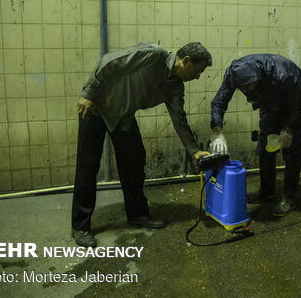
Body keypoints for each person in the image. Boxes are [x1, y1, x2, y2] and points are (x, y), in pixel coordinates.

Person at [71, 42, 212, 247]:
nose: (197, 77)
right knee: (88, 167)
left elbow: (179, 119)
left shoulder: (175, 87)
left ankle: (137, 214)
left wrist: (194, 151)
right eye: (197, 71)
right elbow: (108, 61)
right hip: (96, 109)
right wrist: (89, 93)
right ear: (186, 61)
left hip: (123, 118)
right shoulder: (152, 55)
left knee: (134, 163)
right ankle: (80, 226)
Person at [210, 54, 301, 216]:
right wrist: (217, 132)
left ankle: (289, 198)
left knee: (292, 151)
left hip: (297, 100)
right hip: (269, 103)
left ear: (260, 75)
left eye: (252, 86)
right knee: (266, 146)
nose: (248, 91)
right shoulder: (233, 74)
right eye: (245, 88)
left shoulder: (283, 74)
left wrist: (288, 129)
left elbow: (298, 106)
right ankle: (267, 191)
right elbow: (219, 101)